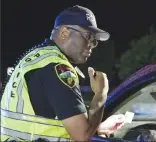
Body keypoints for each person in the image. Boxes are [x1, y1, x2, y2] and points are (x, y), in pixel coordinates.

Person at [1, 5, 123, 141]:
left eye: (94, 41)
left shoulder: (37, 59)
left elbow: (48, 122)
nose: (91, 45)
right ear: (64, 33)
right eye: (88, 36)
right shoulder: (57, 68)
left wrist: (99, 128)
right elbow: (82, 136)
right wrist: (100, 94)